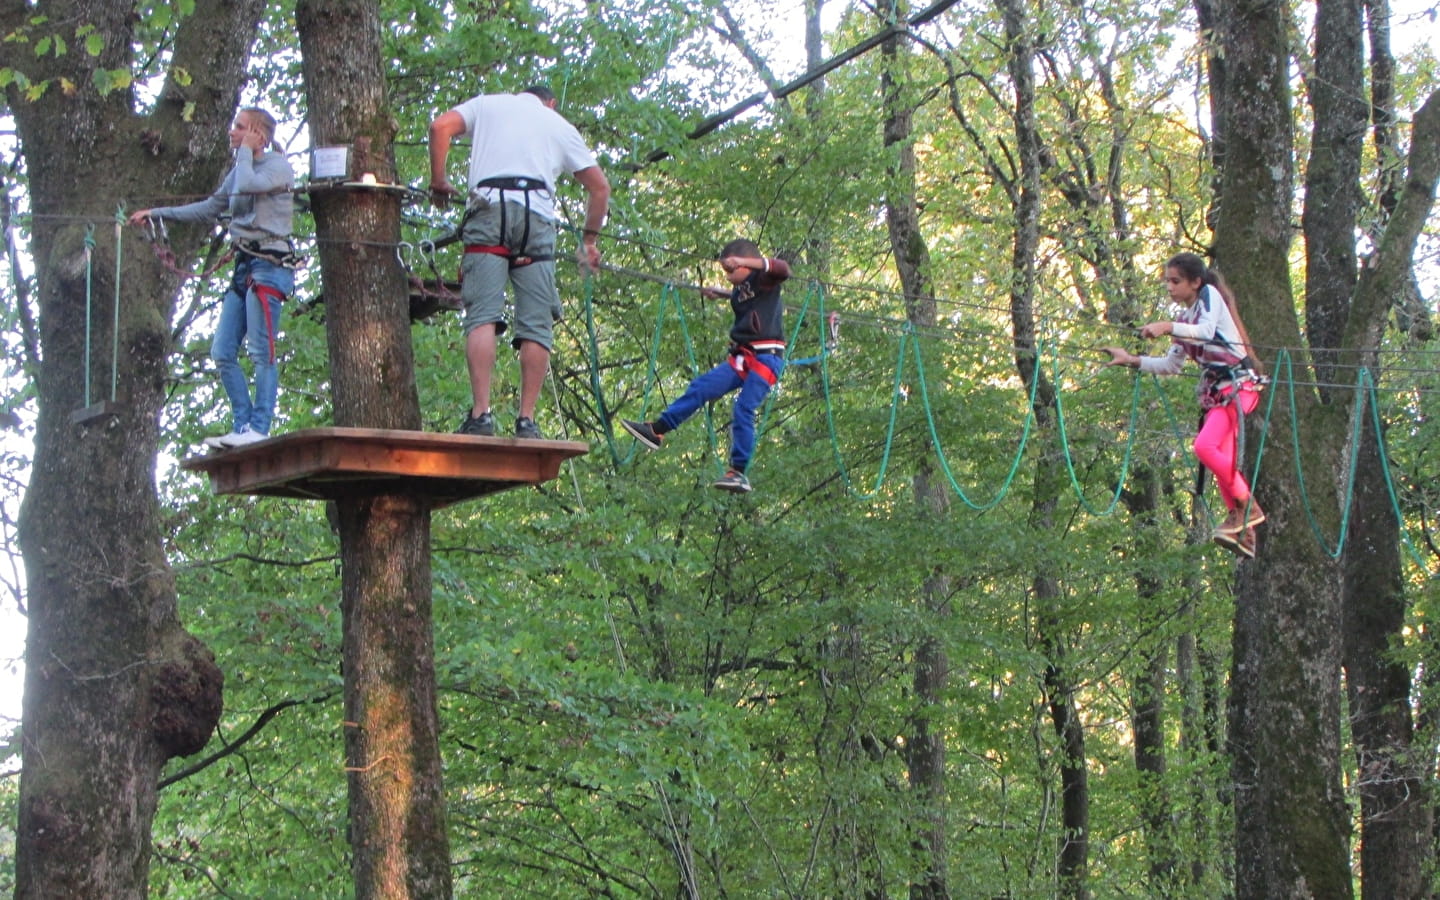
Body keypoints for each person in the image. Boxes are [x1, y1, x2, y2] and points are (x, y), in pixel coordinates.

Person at [428, 84, 610, 440]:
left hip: (488, 209)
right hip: (536, 217)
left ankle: (481, 414)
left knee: (482, 313)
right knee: (536, 322)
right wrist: (588, 241)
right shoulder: (558, 124)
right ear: (551, 103)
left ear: (519, 95)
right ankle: (527, 421)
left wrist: (439, 181)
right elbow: (600, 188)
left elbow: (439, 127)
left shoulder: (487, 105)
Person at [129, 107, 296, 449]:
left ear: (258, 135)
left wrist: (247, 153)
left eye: (239, 127)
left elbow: (250, 186)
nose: (231, 132)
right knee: (222, 351)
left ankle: (259, 427)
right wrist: (158, 214)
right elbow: (209, 207)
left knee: (262, 350)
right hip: (244, 266)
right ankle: (242, 425)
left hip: (270, 267)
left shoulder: (277, 166)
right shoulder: (241, 169)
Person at [1101, 252, 1267, 557]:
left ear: (1195, 282)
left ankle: (1249, 507)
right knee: (1223, 468)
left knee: (1205, 448)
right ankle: (1245, 533)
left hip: (1240, 387)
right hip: (1220, 395)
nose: (1169, 287)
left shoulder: (1209, 297)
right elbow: (1171, 365)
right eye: (1167, 281)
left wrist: (1166, 326)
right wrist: (1132, 360)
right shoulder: (1183, 320)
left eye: (1175, 281)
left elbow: (1205, 332)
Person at [621, 240, 792, 494]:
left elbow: (784, 268)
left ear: (742, 262)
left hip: (767, 358)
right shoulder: (743, 288)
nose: (727, 275)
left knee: (744, 408)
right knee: (701, 387)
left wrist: (744, 262)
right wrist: (722, 293)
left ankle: (739, 471)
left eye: (729, 270)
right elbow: (744, 296)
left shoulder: (765, 278)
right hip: (742, 358)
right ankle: (657, 430)